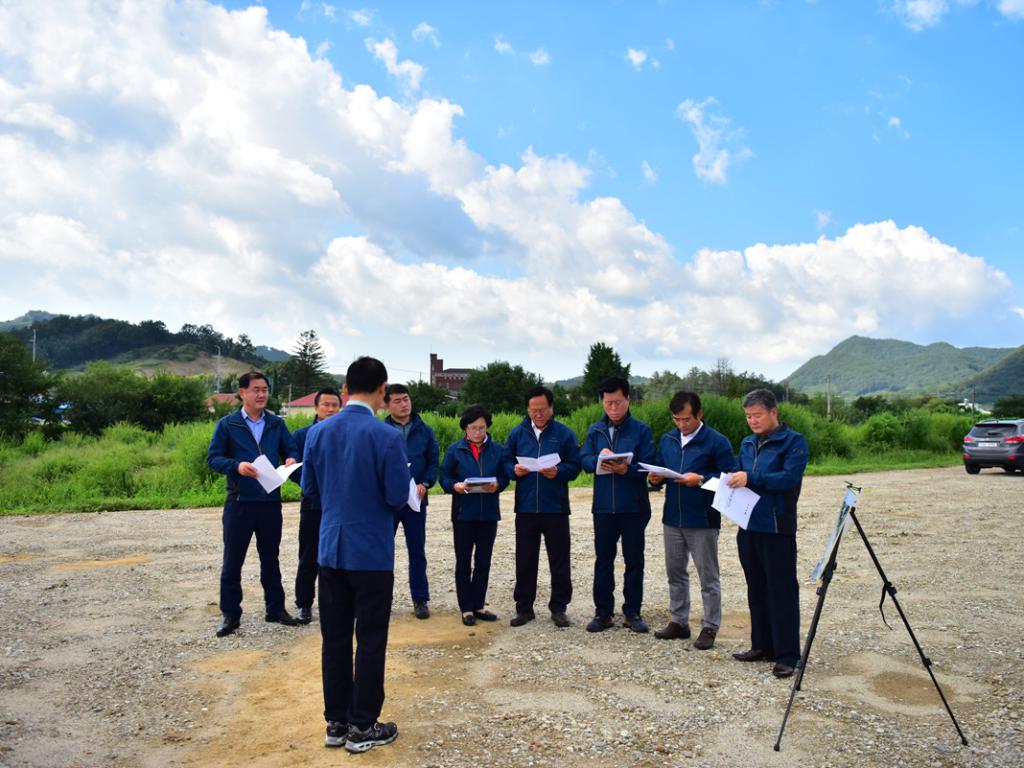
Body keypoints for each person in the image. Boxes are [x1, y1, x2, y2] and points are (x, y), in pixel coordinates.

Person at [301, 357, 412, 753]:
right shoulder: (386, 437)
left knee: (334, 640)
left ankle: (336, 722)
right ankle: (363, 726)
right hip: (371, 555)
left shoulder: (318, 432)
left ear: (346, 388)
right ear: (382, 389)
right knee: (369, 639)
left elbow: (309, 489)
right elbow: (398, 496)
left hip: (330, 549)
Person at [206, 371, 300, 638]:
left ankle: (276, 609)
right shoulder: (228, 424)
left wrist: (291, 460)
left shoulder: (276, 424)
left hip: (270, 501)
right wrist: (236, 466)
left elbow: (290, 449)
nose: (261, 395)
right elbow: (214, 458)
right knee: (232, 561)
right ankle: (230, 615)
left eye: (265, 390)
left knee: (271, 559)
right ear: (242, 393)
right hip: (240, 502)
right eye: (256, 390)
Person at [727, 388, 809, 679]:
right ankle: (761, 645)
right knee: (756, 588)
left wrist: (753, 478)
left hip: (777, 527)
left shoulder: (794, 442)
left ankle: (787, 654)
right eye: (748, 416)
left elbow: (788, 478)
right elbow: (738, 472)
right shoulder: (748, 443)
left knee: (782, 590)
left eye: (757, 415)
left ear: (774, 412)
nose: (752, 421)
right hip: (748, 525)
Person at [647, 391, 738, 650]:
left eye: (686, 419)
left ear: (699, 415)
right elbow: (659, 467)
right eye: (676, 419)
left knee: (708, 576)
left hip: (703, 519)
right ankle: (679, 621)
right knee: (675, 572)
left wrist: (699, 480)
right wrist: (655, 479)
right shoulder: (668, 439)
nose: (681, 424)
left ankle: (710, 626)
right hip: (672, 518)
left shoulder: (717, 442)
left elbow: (728, 478)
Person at [580, 377, 656, 633]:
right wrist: (596, 460)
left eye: (617, 402)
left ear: (628, 400)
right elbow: (584, 459)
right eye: (608, 403)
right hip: (603, 507)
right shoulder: (595, 430)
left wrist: (628, 469)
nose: (612, 407)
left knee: (634, 560)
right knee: (603, 560)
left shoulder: (641, 430)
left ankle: (632, 612)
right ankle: (603, 613)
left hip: (633, 506)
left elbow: (648, 464)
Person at [502, 385, 582, 628]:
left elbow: (576, 465)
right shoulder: (518, 433)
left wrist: (559, 471)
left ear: (551, 408)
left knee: (559, 559)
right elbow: (505, 460)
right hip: (525, 508)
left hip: (555, 507)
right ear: (527, 409)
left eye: (542, 409)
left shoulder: (564, 434)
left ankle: (559, 607)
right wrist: (513, 471)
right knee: (525, 559)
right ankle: (524, 608)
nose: (538, 414)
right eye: (533, 410)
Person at [439, 404, 509, 627]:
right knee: (463, 561)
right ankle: (466, 608)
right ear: (465, 429)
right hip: (463, 514)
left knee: (484, 561)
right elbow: (444, 477)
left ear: (487, 427)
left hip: (488, 514)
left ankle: (478, 604)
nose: (478, 432)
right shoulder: (455, 450)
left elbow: (505, 476)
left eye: (482, 427)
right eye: (473, 428)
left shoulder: (497, 450)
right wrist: (456, 486)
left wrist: (498, 484)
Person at [384, 384, 440, 620]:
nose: (403, 404)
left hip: (416, 501)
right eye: (396, 401)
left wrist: (425, 483)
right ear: (387, 405)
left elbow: (433, 462)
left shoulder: (424, 430)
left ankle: (420, 599)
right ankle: (381, 599)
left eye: (405, 399)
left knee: (417, 550)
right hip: (387, 503)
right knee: (384, 551)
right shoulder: (380, 430)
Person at [289, 387, 343, 624]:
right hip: (313, 503)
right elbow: (292, 467)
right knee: (309, 555)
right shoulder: (302, 435)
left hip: (341, 506)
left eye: (335, 405)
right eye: (326, 405)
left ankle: (336, 604)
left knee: (337, 555)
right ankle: (304, 604)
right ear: (316, 407)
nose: (331, 409)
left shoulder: (346, 433)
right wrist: (310, 485)